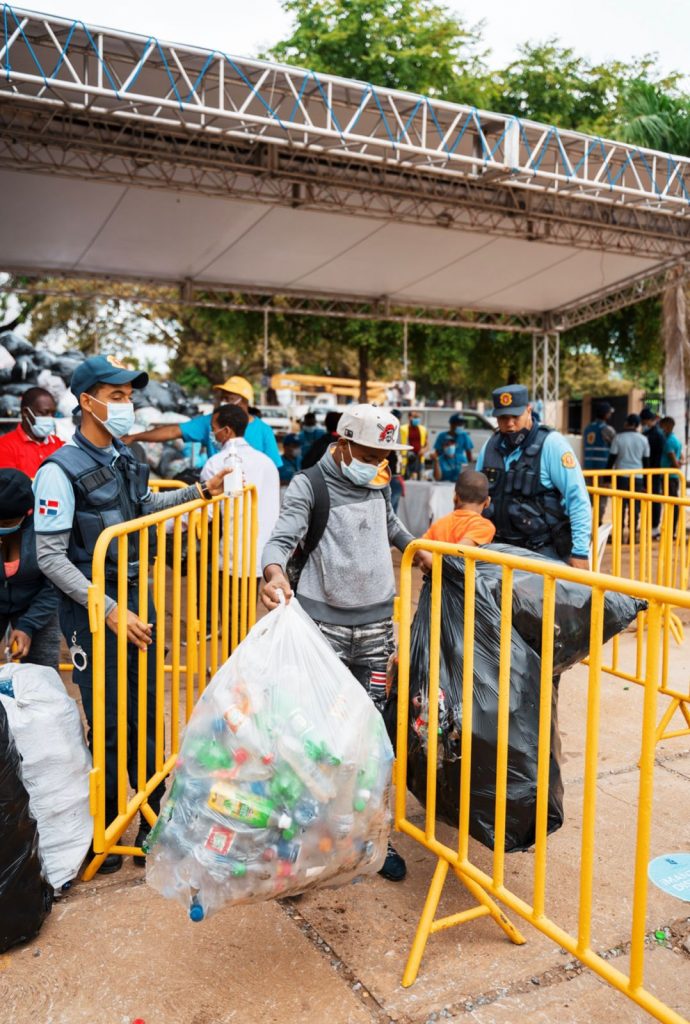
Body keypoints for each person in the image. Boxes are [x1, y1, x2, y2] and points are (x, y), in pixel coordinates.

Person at [33, 354, 229, 874]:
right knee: (109, 719)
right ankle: (112, 822)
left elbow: (143, 512)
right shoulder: (57, 471)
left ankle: (149, 819)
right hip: (96, 614)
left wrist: (198, 494)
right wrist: (110, 608)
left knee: (144, 711)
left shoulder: (125, 457)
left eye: (128, 395)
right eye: (116, 395)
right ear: (86, 401)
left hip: (136, 601)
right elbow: (51, 556)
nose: (127, 404)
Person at [260, 404, 432, 883]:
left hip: (377, 631)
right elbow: (280, 539)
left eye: (387, 456)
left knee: (371, 738)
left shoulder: (379, 484)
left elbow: (391, 528)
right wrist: (272, 574)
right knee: (314, 740)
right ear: (344, 443)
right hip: (324, 634)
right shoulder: (309, 485)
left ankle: (372, 839)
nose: (381, 464)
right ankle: (300, 847)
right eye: (374, 453)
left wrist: (419, 553)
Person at [476, 385, 592, 568]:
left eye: (515, 416)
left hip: (542, 551)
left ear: (529, 410)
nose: (509, 423)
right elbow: (476, 498)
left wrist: (580, 553)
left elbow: (577, 499)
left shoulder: (552, 444)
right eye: (503, 418)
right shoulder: (490, 446)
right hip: (497, 548)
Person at [201, 403, 280, 613]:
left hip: (232, 552)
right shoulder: (267, 463)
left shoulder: (216, 463)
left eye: (213, 428)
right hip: (261, 552)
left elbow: (207, 511)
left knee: (232, 616)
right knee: (245, 612)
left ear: (226, 431)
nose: (212, 433)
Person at [123, 375, 282, 469]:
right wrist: (134, 438)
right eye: (223, 397)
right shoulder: (211, 421)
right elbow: (172, 431)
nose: (224, 401)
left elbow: (272, 469)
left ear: (245, 402)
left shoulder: (264, 431)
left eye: (230, 398)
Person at [0, 469, 61, 669]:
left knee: (42, 673)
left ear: (28, 513)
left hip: (38, 603)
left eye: (6, 523)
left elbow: (54, 585)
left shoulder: (46, 531)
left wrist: (28, 625)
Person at [0, 386, 63, 475]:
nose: (50, 418)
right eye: (44, 413)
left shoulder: (59, 444)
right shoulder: (4, 446)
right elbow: (10, 484)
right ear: (26, 412)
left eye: (53, 413)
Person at [423, 470, 496, 546]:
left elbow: (418, 549)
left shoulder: (438, 524)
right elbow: (458, 553)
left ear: (455, 497)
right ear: (487, 502)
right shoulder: (484, 527)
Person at [607, 414, 650, 535]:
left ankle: (619, 533)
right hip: (638, 477)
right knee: (635, 506)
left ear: (627, 423)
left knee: (620, 505)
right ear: (637, 425)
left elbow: (611, 459)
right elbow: (646, 462)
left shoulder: (618, 438)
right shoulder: (643, 439)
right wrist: (646, 482)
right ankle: (632, 533)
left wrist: (607, 478)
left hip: (621, 476)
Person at [582, 402, 616, 524]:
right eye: (609, 413)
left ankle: (586, 523)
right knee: (601, 498)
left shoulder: (587, 428)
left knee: (588, 498)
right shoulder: (607, 430)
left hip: (588, 469)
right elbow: (615, 447)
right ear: (606, 414)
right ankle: (598, 523)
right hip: (602, 470)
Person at [641, 407, 665, 534]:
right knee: (648, 498)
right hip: (648, 471)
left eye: (645, 422)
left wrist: (651, 470)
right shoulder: (647, 434)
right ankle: (650, 525)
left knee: (654, 498)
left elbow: (657, 455)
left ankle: (654, 526)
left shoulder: (657, 435)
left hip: (654, 471)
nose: (644, 424)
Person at [659, 416, 684, 536]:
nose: (661, 428)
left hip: (669, 477)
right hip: (672, 477)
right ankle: (671, 529)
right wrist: (680, 462)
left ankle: (671, 530)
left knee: (671, 503)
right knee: (672, 503)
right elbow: (681, 457)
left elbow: (674, 462)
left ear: (667, 426)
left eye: (662, 425)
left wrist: (678, 464)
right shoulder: (675, 439)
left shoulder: (669, 441)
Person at [399, 411, 428, 479]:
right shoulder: (402, 429)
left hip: (419, 459)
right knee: (405, 479)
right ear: (409, 417)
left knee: (420, 480)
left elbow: (427, 444)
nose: (417, 419)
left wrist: (424, 450)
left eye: (418, 417)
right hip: (406, 459)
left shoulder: (423, 429)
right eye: (414, 417)